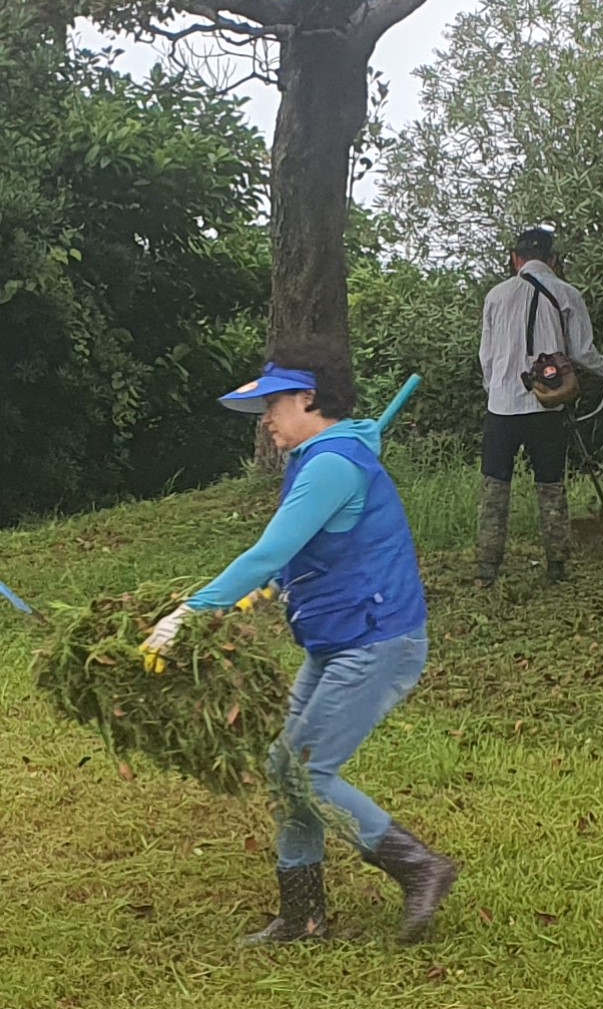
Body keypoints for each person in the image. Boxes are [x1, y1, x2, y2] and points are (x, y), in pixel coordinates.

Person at [143, 351, 457, 945]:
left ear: (309, 400)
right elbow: (310, 549)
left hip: (376, 637)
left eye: (273, 404)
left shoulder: (333, 464)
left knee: (308, 772)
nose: (265, 418)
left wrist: (188, 613)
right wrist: (275, 584)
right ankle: (302, 915)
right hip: (336, 637)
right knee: (284, 768)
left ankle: (420, 866)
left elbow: (266, 550)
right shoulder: (319, 458)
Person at [475, 225, 603, 586]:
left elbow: (487, 357)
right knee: (550, 485)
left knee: (494, 487)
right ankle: (556, 566)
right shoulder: (567, 294)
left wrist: (495, 389)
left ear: (515, 259)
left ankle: (486, 569)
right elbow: (582, 353)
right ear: (554, 260)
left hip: (502, 409)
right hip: (548, 408)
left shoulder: (496, 296)